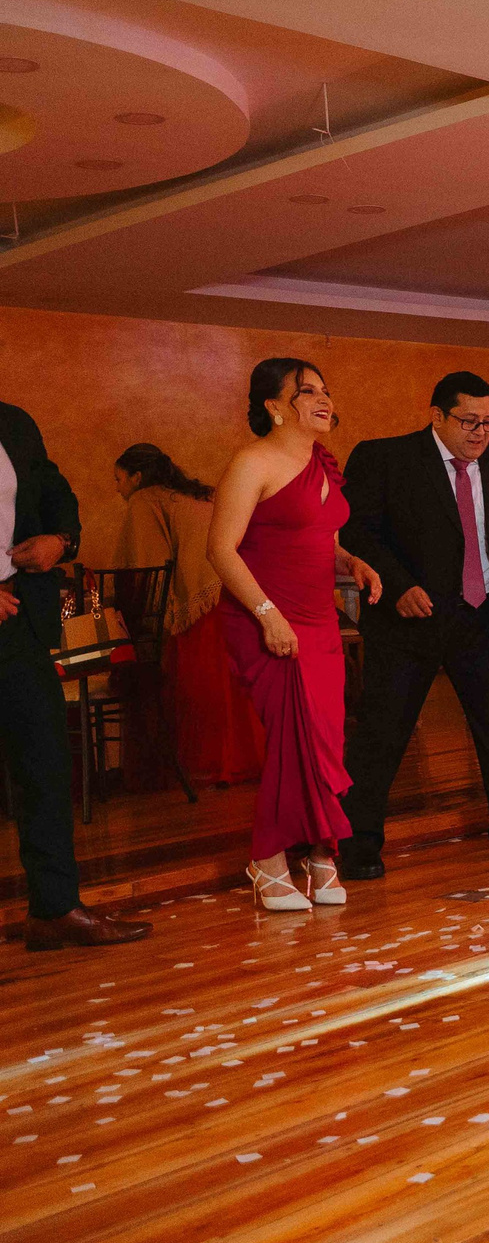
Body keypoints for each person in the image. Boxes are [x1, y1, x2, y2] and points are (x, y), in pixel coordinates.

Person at [339, 371, 489, 874]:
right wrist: (394, 587)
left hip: (483, 617)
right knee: (383, 731)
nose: (480, 432)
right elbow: (356, 531)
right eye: (469, 421)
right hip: (409, 620)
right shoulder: (385, 458)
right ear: (436, 416)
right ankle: (359, 841)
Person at [208, 359, 384, 910]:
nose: (324, 399)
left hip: (319, 619)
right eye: (308, 391)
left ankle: (321, 856)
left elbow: (315, 538)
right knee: (295, 739)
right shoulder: (251, 461)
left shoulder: (322, 464)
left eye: (326, 390)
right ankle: (267, 859)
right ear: (275, 406)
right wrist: (267, 614)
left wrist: (351, 561)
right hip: (264, 618)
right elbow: (220, 549)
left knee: (326, 739)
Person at [0, 399, 150, 949]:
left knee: (44, 761)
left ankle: (54, 910)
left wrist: (61, 540)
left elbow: (53, 491)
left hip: (17, 621)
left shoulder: (14, 422)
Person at [107, 443, 260, 783]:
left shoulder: (145, 500)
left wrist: (125, 610)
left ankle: (214, 764)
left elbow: (148, 568)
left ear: (137, 477)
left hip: (199, 600)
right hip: (238, 589)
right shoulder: (194, 493)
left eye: (118, 479)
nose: (117, 488)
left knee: (202, 686)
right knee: (233, 683)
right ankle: (248, 759)